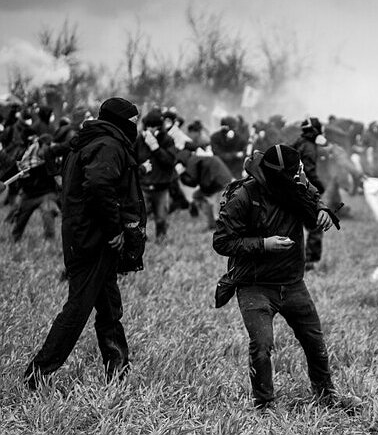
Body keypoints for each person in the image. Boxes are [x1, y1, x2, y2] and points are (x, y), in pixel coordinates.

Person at [212, 144, 358, 410]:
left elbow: (311, 193)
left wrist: (322, 210)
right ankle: (264, 405)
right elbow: (222, 241)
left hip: (292, 282)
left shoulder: (295, 182)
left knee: (314, 340)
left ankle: (326, 396)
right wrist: (263, 244)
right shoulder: (244, 195)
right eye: (294, 174)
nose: (299, 177)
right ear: (277, 175)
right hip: (254, 284)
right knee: (261, 345)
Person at [24, 97, 146, 389]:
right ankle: (37, 374)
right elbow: (99, 185)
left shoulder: (93, 141)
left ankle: (117, 372)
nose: (135, 127)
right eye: (133, 121)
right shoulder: (107, 145)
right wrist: (114, 229)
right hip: (93, 240)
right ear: (120, 121)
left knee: (110, 308)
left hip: (88, 238)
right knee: (78, 309)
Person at [135, 110, 177, 242]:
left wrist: (156, 148)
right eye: (148, 126)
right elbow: (133, 160)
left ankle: (161, 238)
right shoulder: (139, 140)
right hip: (143, 184)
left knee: (161, 216)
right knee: (140, 215)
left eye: (154, 126)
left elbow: (170, 161)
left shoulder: (167, 140)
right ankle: (141, 238)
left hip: (161, 185)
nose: (151, 129)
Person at [292, 117, 328, 270]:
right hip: (303, 192)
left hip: (291, 190)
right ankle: (309, 263)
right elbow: (309, 173)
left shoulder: (298, 142)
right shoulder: (309, 148)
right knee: (316, 225)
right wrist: (320, 188)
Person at [175, 147, 233, 231]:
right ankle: (212, 224)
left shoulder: (192, 161)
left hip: (218, 183)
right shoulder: (197, 158)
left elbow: (192, 181)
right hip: (221, 180)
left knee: (217, 209)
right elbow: (195, 180)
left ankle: (220, 229)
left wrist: (181, 174)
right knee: (198, 196)